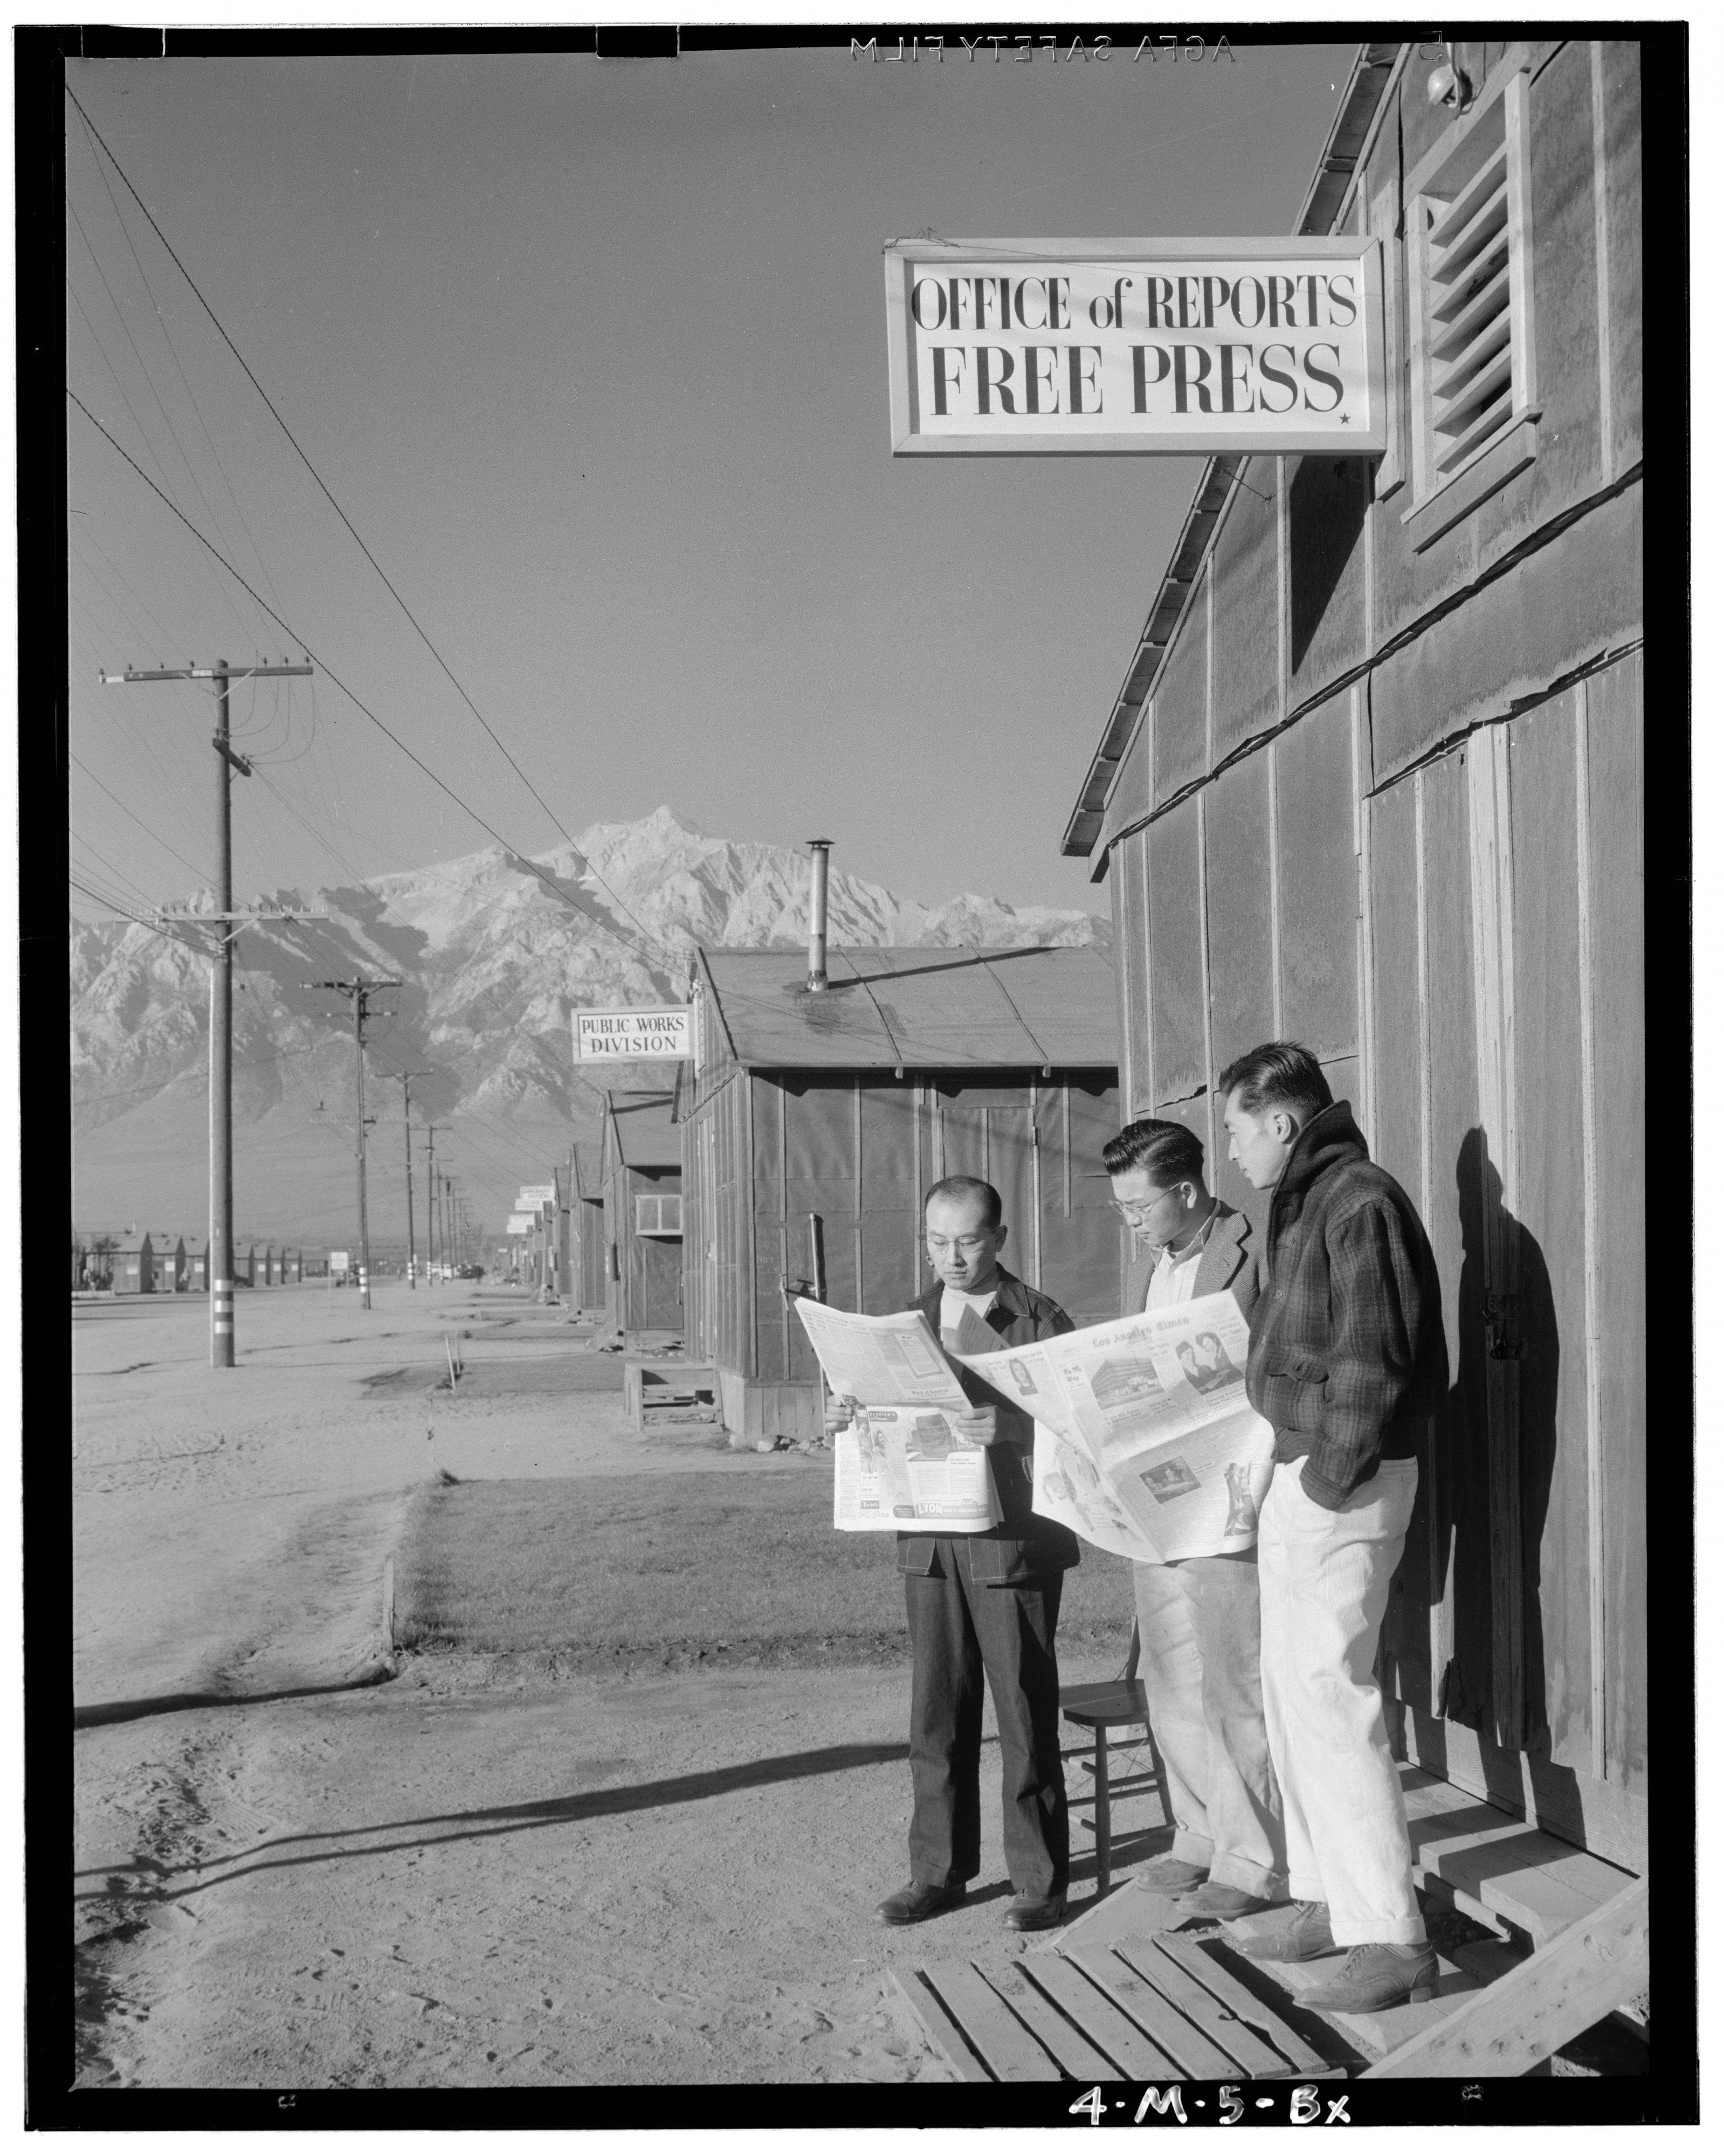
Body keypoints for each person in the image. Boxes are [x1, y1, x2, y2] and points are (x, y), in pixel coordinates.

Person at [1217, 1042, 1448, 2012]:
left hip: (1339, 1483)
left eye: (1233, 1129)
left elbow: (1370, 1362)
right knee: (1293, 1694)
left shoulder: (1357, 1199)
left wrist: (1324, 1478)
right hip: (1307, 1473)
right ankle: (1324, 1899)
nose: (1227, 1150)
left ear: (1279, 1122)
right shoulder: (1310, 1198)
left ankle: (1390, 1940)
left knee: (1329, 1694)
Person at [826, 1175, 1078, 1933]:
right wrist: (845, 1414)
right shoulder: (904, 1324)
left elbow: (1082, 1430)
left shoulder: (1039, 1320)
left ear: (999, 1238)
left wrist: (1013, 1430)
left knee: (1025, 1715)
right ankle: (935, 1873)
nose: (953, 1258)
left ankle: (1038, 1881)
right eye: (938, 1242)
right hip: (929, 1542)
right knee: (935, 1716)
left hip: (1012, 1547)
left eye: (967, 1240)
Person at [1103, 1117, 1285, 1921]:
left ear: (1186, 1191)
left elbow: (1275, 1365)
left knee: (1232, 1684)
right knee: (1168, 1678)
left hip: (1226, 1500)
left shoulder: (1256, 1248)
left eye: (1140, 1208)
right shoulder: (1150, 1263)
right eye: (1120, 1208)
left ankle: (1253, 1861)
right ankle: (1197, 1835)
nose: (1130, 1223)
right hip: (1157, 1501)